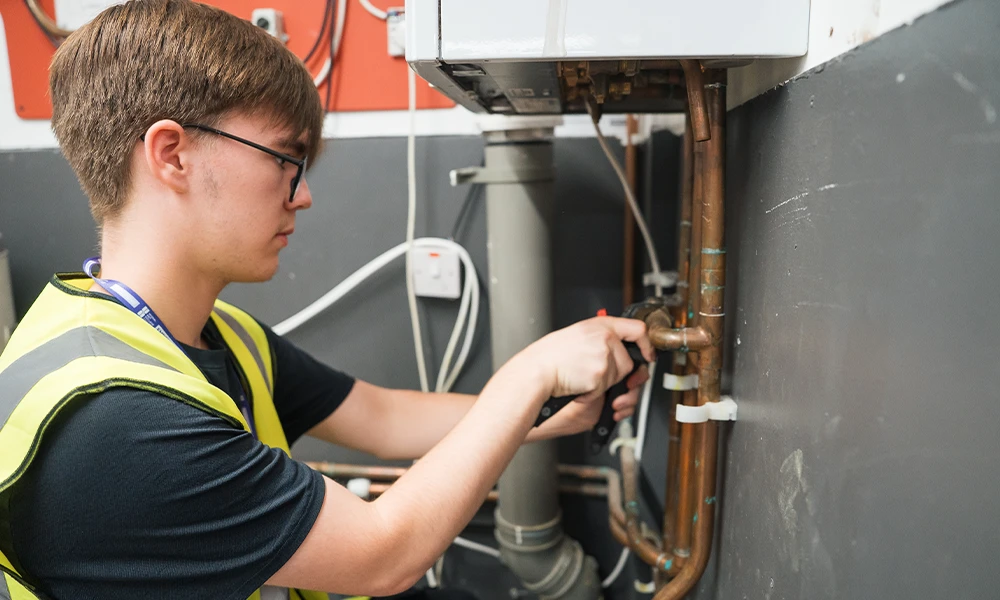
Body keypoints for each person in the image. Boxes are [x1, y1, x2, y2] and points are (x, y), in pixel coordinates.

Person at [0, 1, 654, 599]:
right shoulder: (117, 423)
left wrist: (543, 408)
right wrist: (531, 373)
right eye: (286, 160)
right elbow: (384, 555)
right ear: (172, 154)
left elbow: (381, 417)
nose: (303, 194)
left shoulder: (198, 332)